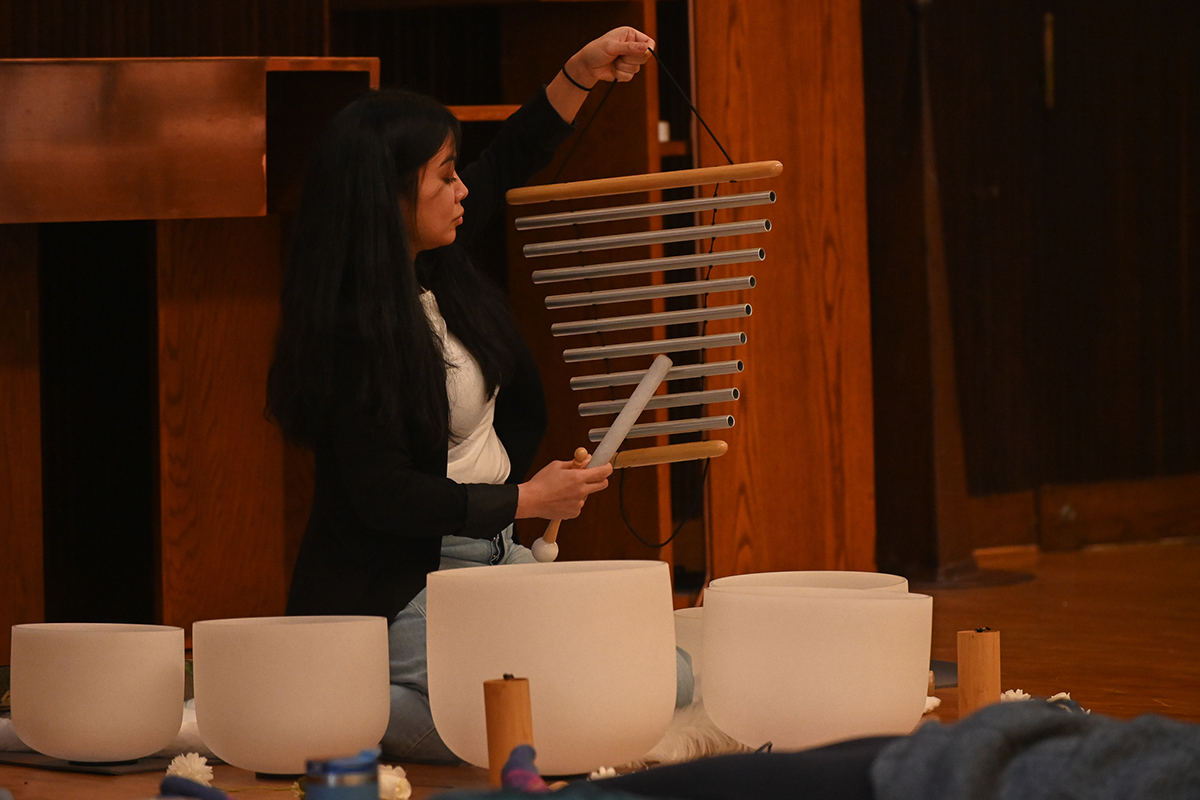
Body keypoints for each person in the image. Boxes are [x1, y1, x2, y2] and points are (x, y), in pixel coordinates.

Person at [267, 27, 690, 763]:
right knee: (521, 722)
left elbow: (510, 158)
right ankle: (322, 701)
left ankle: (343, 699)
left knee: (664, 678)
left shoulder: (437, 260)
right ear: (389, 196)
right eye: (444, 176)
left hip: (493, 563)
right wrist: (526, 499)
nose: (463, 189)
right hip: (405, 586)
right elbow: (384, 494)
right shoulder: (350, 329)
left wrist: (579, 71)